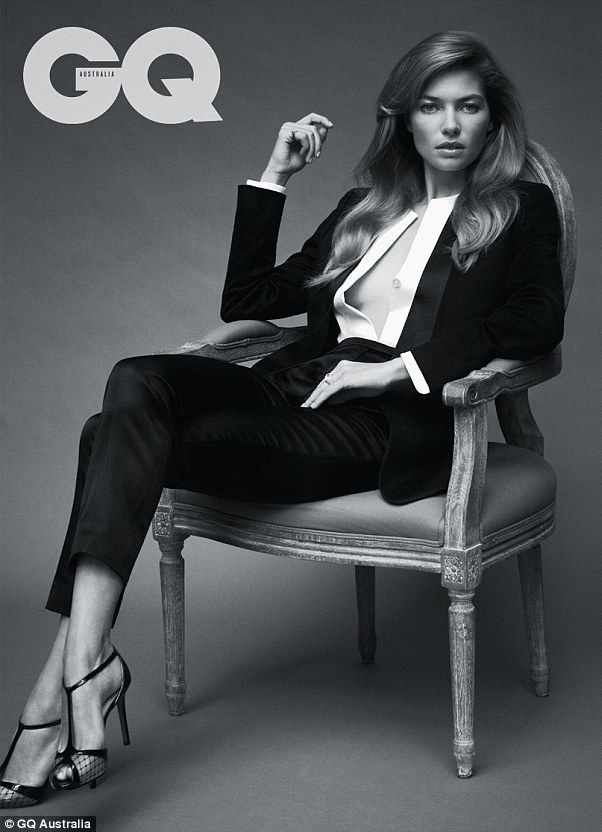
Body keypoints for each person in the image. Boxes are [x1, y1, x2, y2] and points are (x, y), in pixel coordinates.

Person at [0, 30, 564, 806]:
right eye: (431, 107)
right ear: (404, 120)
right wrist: (274, 177)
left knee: (109, 438)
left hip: (375, 423)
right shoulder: (371, 205)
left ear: (492, 118)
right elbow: (249, 303)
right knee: (133, 382)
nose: (450, 125)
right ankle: (87, 673)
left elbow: (537, 323)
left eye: (468, 106)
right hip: (286, 388)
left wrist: (398, 368)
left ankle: (53, 699)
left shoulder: (518, 209)